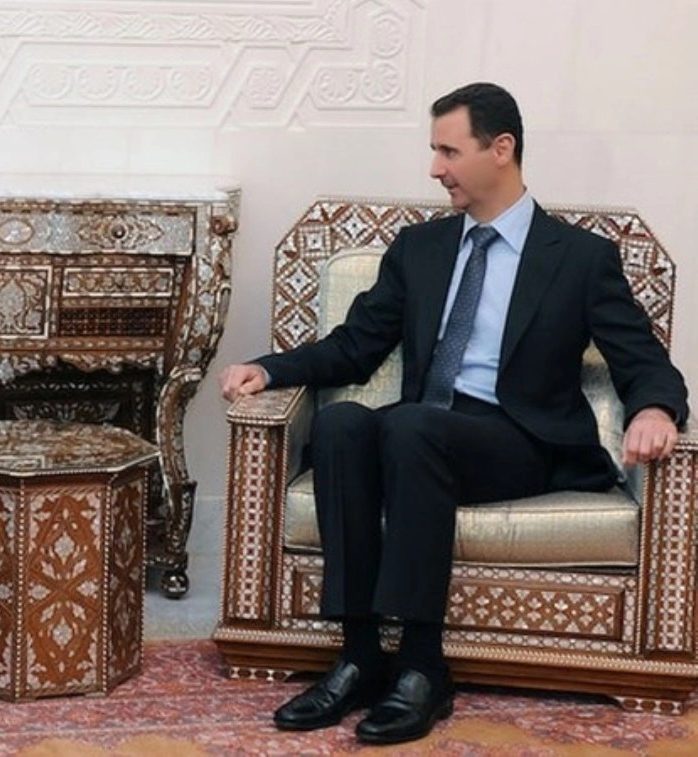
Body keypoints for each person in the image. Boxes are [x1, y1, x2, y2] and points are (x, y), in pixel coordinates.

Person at [218, 82, 688, 745]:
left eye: (448, 151)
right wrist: (270, 368)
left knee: (410, 424)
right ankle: (358, 654)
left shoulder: (579, 258)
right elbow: (356, 345)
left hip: (520, 440)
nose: (434, 168)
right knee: (343, 425)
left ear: (501, 149)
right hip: (422, 434)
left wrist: (656, 410)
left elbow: (643, 359)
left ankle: (422, 664)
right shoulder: (421, 248)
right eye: (434, 151)